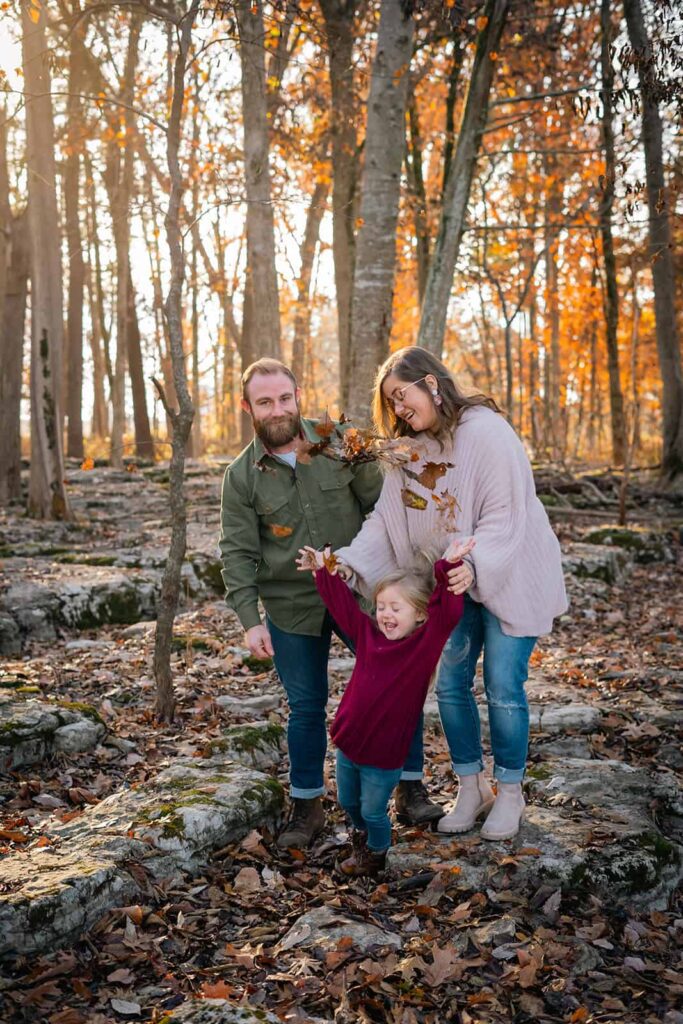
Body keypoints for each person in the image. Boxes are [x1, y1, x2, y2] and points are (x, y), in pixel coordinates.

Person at [333, 347, 568, 842]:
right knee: (451, 685)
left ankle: (509, 792)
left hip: (510, 572)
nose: (399, 409)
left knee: (503, 686)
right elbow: (386, 522)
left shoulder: (488, 434)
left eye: (402, 395)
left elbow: (506, 516)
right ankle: (471, 786)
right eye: (390, 403)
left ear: (432, 384)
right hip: (449, 582)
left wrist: (477, 561)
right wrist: (348, 563)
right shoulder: (409, 454)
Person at [219, 357, 443, 851]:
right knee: (305, 706)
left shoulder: (339, 441)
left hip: (359, 590)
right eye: (264, 401)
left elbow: (384, 508)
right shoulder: (241, 477)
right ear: (246, 407)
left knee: (397, 685)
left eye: (284, 398)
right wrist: (249, 620)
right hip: (290, 603)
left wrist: (401, 586)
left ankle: (409, 787)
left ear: (297, 394)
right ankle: (308, 805)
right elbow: (236, 552)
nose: (277, 409)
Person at [296, 538, 472, 877]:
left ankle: (378, 852)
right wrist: (324, 571)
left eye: (396, 608)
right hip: (349, 743)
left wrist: (447, 566)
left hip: (384, 755)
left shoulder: (422, 648)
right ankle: (361, 836)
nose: (386, 614)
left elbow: (447, 612)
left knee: (375, 811)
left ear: (419, 614)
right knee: (349, 803)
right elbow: (343, 606)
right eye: (381, 606)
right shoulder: (367, 634)